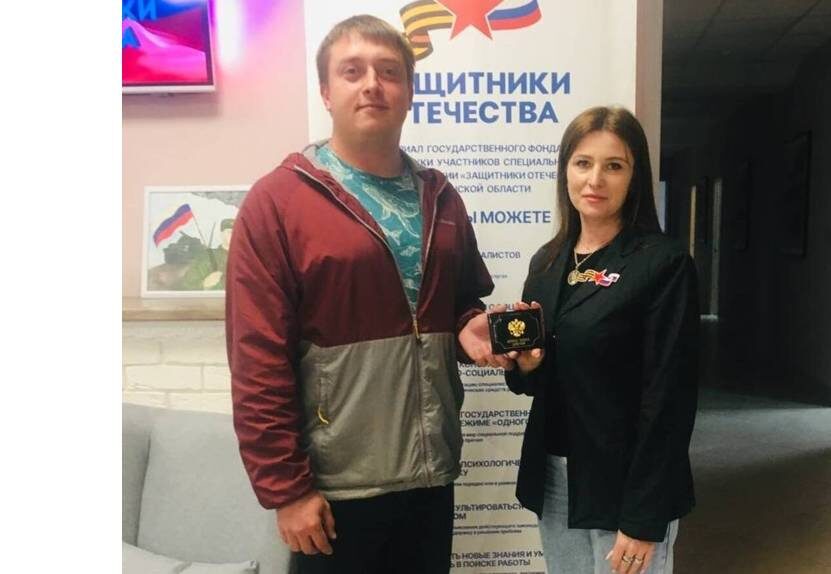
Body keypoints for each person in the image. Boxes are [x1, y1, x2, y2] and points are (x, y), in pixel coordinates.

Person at [225, 14, 511, 574]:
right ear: (326, 92)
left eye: (389, 72)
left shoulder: (441, 197)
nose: (372, 85)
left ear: (409, 92)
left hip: (430, 471)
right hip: (336, 486)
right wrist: (286, 489)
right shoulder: (277, 203)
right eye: (352, 71)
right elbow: (256, 358)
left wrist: (468, 326)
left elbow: (460, 304)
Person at [502, 106, 700, 574]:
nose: (595, 180)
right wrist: (526, 366)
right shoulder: (547, 262)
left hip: (626, 481)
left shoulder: (663, 264)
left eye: (614, 165)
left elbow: (669, 400)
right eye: (583, 163)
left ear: (635, 177)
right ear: (565, 171)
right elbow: (537, 380)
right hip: (556, 475)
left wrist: (644, 517)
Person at [180, 218, 233, 290]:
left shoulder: (246, 257)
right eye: (230, 232)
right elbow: (188, 284)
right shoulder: (207, 257)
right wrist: (204, 284)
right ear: (222, 234)